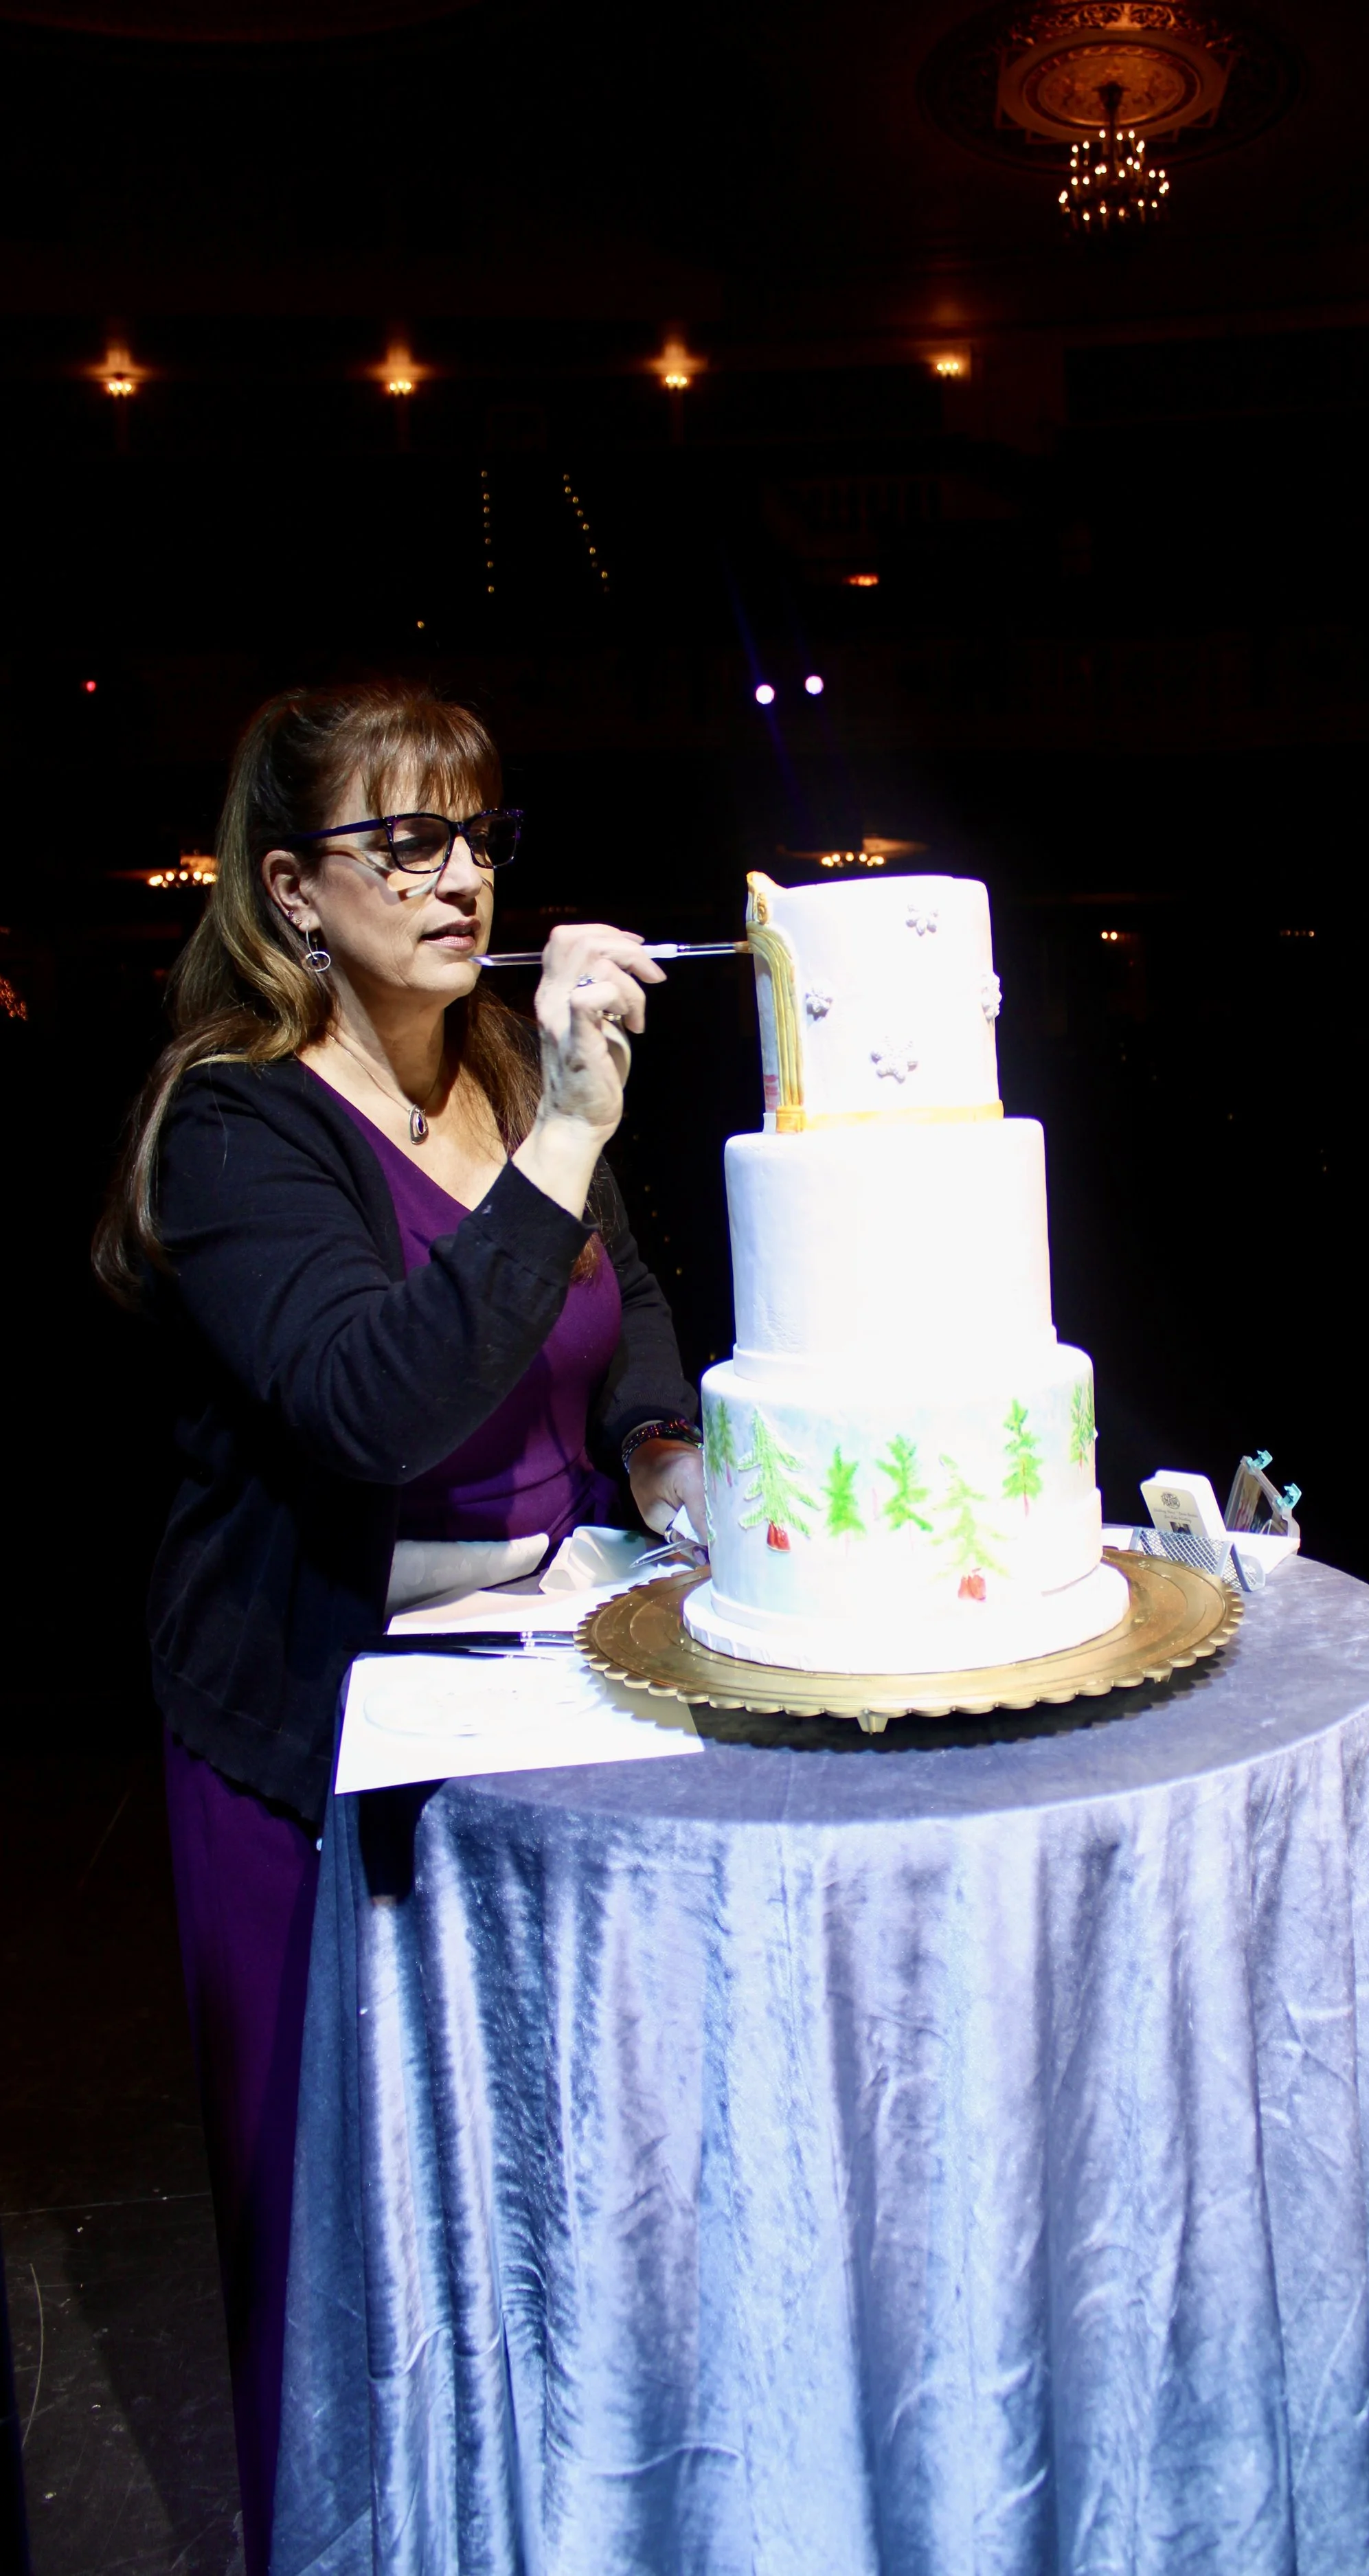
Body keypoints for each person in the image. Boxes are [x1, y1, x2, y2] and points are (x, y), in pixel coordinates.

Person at [93, 680, 705, 2575]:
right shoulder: (237, 1127)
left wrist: (669, 1471)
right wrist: (569, 1138)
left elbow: (632, 1313)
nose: (457, 876)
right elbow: (377, 1407)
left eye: (478, 837)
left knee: (543, 2214)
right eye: (402, 841)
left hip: (544, 1708)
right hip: (322, 1732)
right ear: (290, 889)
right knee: (343, 2246)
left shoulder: (513, 1071)